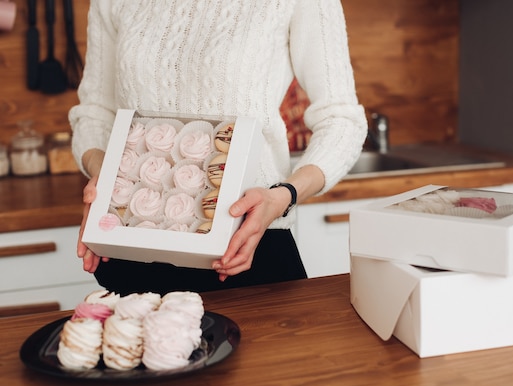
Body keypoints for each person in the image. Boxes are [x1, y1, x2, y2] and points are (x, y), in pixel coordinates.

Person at [70, 1, 367, 295]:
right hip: (130, 248)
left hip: (247, 242)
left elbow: (342, 119)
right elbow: (95, 113)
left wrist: (283, 195)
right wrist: (106, 180)